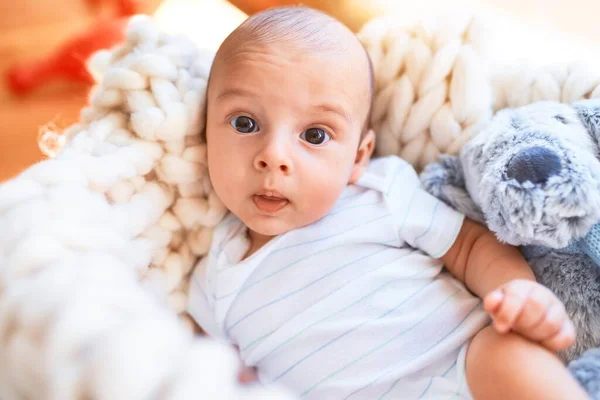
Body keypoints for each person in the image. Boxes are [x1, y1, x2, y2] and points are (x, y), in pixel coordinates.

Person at [187, 6, 588, 399]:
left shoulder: (378, 192)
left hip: (463, 365)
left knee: (507, 356)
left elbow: (467, 247)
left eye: (314, 135)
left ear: (358, 157)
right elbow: (212, 376)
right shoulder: (211, 281)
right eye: (245, 123)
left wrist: (518, 292)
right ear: (204, 128)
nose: (274, 155)